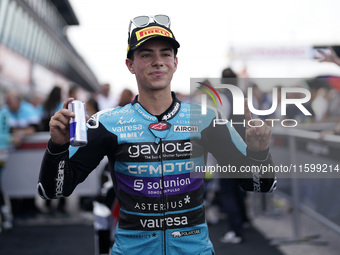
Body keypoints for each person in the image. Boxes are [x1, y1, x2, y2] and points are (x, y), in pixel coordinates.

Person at [37, 15, 276, 255]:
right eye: (146, 55)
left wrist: (259, 151)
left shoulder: (206, 118)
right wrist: (57, 146)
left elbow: (259, 183)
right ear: (130, 64)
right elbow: (53, 191)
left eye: (165, 54)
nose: (158, 62)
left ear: (175, 62)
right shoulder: (107, 123)